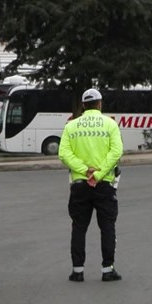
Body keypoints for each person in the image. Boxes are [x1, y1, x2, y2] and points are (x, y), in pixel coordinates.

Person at [58, 88, 123, 282]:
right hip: (104, 185)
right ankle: (107, 270)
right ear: (100, 104)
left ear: (83, 105)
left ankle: (77, 271)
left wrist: (85, 170)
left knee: (79, 227)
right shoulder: (110, 125)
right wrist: (99, 173)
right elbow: (116, 152)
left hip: (79, 185)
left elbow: (64, 154)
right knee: (107, 227)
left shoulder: (71, 126)